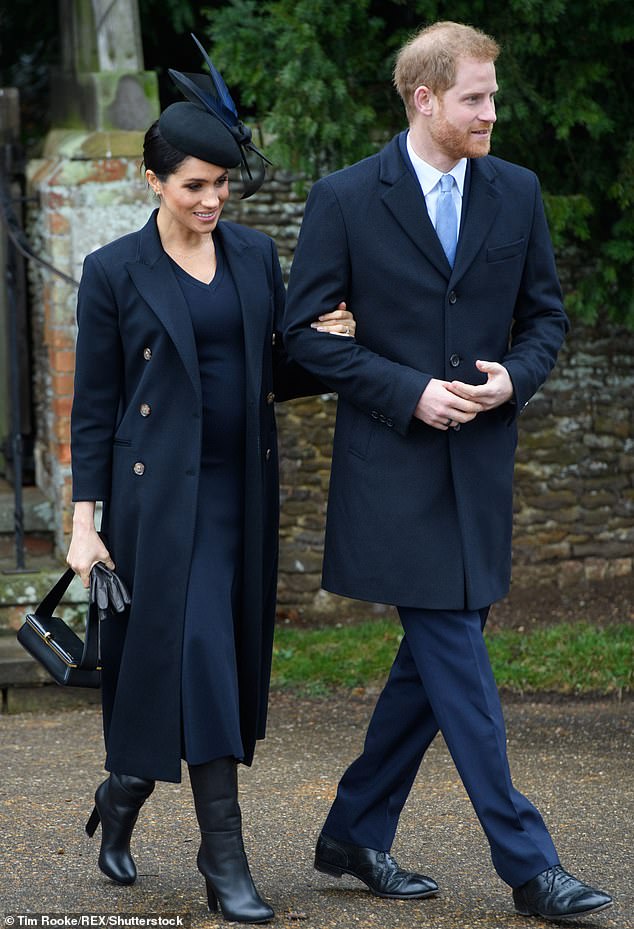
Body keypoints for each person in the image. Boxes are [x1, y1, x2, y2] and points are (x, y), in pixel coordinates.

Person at [283, 20, 613, 923]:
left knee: (429, 668)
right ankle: (529, 865)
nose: (491, 111)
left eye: (492, 95)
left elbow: (546, 319)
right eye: (476, 96)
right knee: (459, 666)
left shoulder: (517, 191)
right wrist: (407, 390)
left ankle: (352, 830)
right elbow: (304, 336)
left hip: (480, 470)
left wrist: (519, 377)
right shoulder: (346, 198)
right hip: (392, 474)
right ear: (424, 98)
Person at [66, 42, 355, 925]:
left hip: (240, 496)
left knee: (207, 665)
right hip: (160, 504)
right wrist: (85, 524)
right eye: (194, 185)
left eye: (221, 186)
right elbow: (95, 405)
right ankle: (223, 860)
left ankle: (121, 793)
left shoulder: (254, 256)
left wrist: (333, 349)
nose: (211, 201)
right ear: (153, 180)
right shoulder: (113, 271)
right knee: (192, 657)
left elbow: (267, 370)